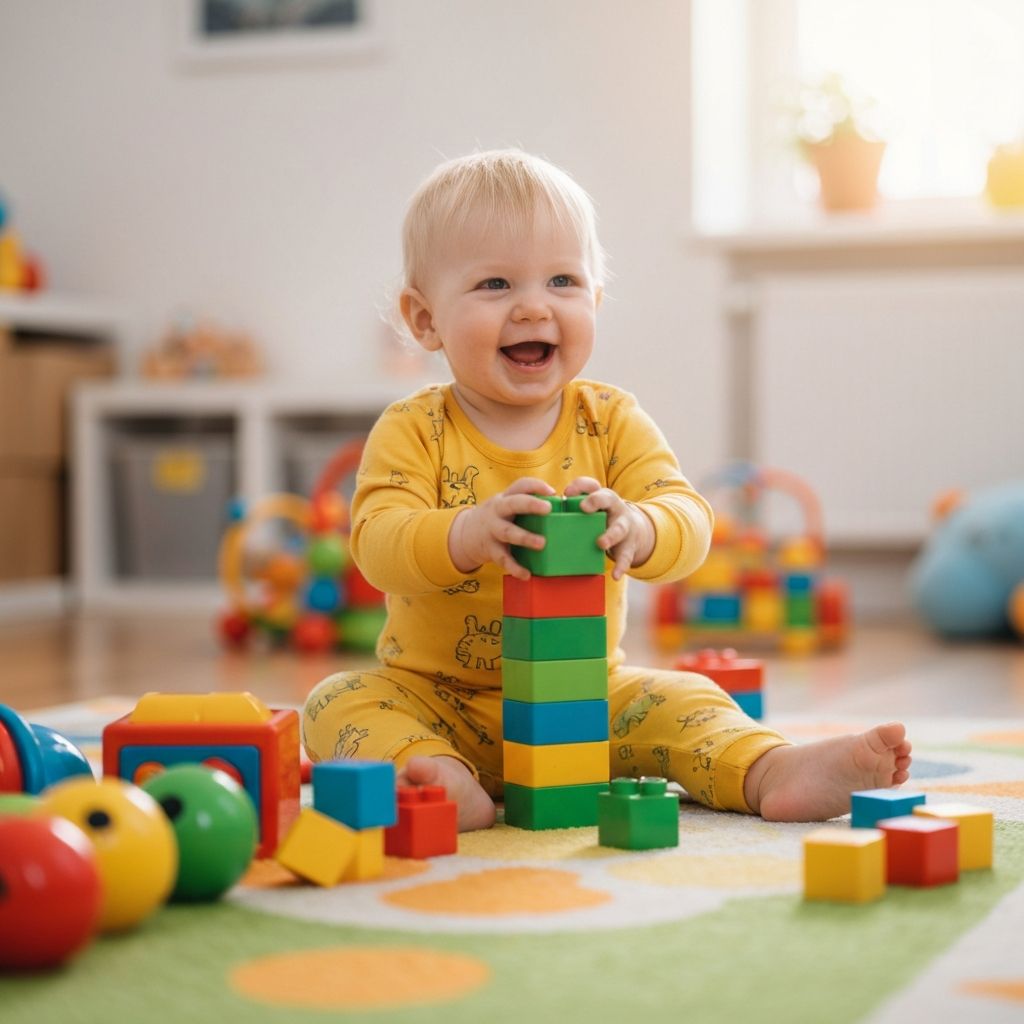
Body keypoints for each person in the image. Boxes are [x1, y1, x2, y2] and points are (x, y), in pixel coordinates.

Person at [302, 149, 912, 830]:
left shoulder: (611, 419)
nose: (534, 307)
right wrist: (466, 532)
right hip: (433, 698)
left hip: (586, 702)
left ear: (592, 299)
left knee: (688, 696)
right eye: (496, 285)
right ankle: (436, 774)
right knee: (336, 702)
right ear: (424, 319)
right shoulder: (414, 428)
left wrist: (642, 527)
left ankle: (772, 770)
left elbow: (688, 515)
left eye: (562, 280)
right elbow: (376, 542)